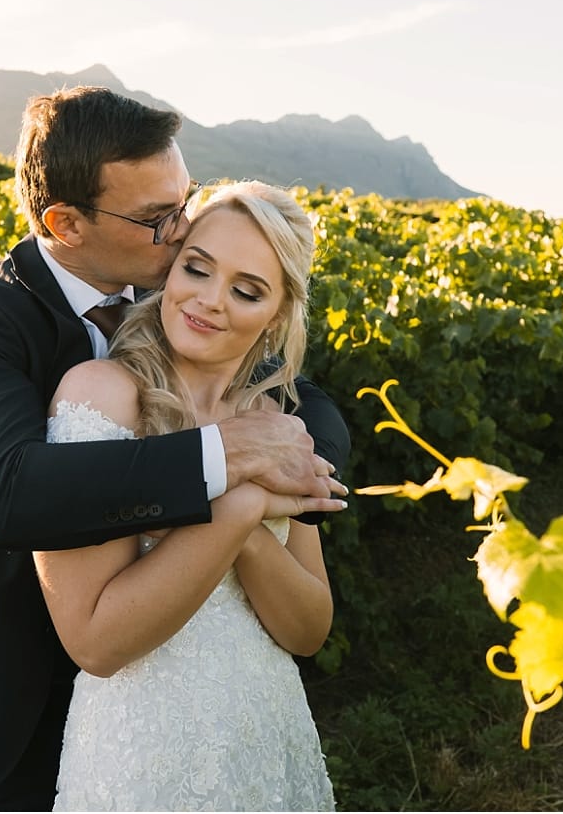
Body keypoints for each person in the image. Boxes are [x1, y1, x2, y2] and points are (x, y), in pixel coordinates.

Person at [0, 87, 351, 811]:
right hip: (20, 676)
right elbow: (10, 491)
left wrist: (303, 462)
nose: (183, 229)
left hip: (199, 696)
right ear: (65, 221)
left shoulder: (182, 296)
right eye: (160, 218)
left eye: (184, 201)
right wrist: (232, 469)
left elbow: (301, 403)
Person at [38, 181, 336, 811]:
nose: (210, 301)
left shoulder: (275, 425)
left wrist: (251, 540)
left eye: (247, 290)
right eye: (197, 269)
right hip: (141, 758)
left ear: (278, 315)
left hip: (266, 742)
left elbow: (309, 629)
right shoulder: (103, 395)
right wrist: (243, 506)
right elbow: (96, 643)